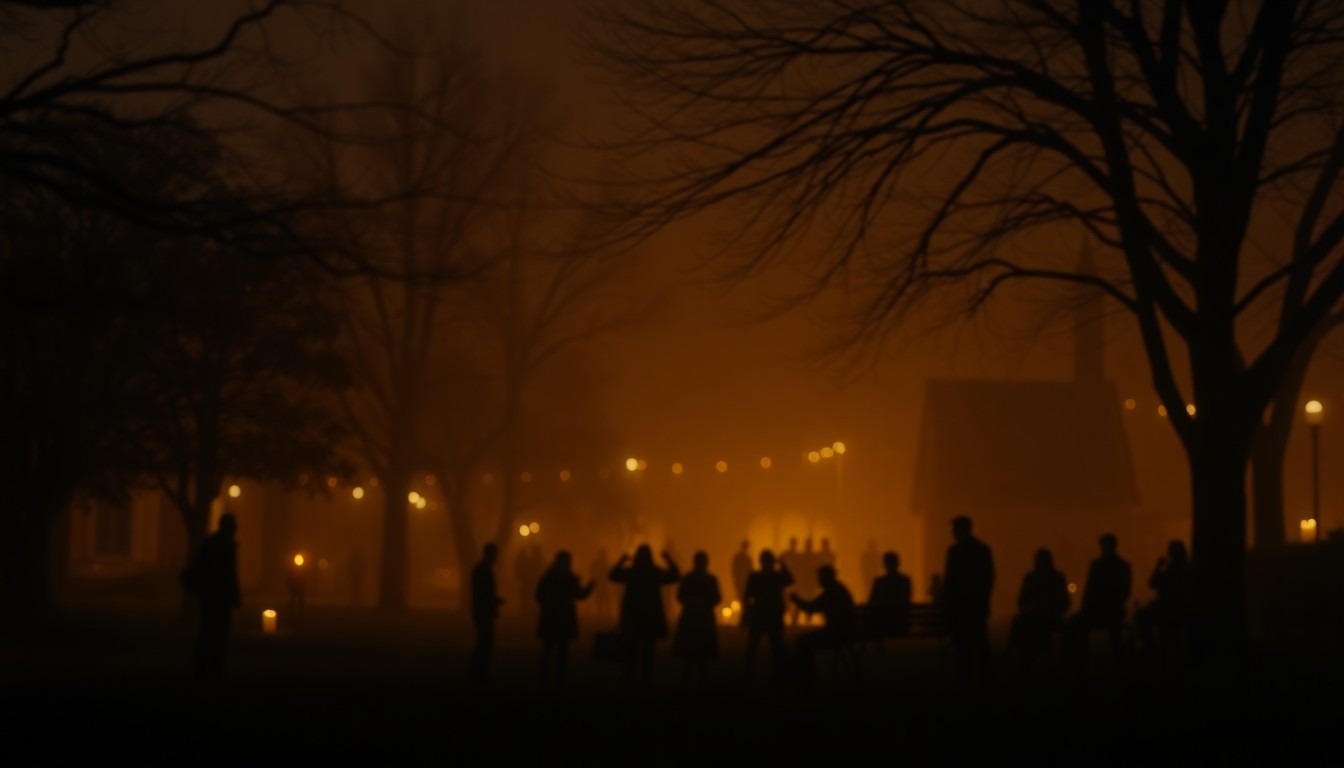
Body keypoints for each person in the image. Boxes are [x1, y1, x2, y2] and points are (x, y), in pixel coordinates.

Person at [609, 544, 681, 685]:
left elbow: (612, 575)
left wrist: (622, 561)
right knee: (648, 651)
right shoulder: (654, 573)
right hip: (650, 618)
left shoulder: (632, 573)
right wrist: (669, 560)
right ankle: (646, 680)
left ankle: (628, 680)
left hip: (632, 617)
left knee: (630, 652)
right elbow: (675, 576)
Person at [1063, 533, 1132, 670]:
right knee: (1075, 624)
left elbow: (1122, 592)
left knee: (1077, 624)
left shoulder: (1112, 566)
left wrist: (1090, 606)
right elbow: (1089, 589)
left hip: (1111, 611)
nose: (1104, 548)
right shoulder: (1114, 565)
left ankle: (1079, 661)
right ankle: (1080, 660)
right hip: (1101, 611)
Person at [186, 512, 241, 683]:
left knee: (208, 631)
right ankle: (212, 669)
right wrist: (235, 595)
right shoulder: (226, 545)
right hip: (218, 595)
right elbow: (231, 573)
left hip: (210, 595)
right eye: (233, 526)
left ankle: (204, 668)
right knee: (217, 633)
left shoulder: (211, 543)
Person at [942, 515, 994, 685]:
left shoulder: (954, 552)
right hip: (974, 604)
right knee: (978, 644)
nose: (953, 532)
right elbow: (988, 578)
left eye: (955, 529)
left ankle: (967, 678)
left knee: (963, 646)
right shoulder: (982, 550)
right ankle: (983, 678)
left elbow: (949, 580)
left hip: (962, 605)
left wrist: (948, 602)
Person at [788, 564, 859, 684]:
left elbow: (811, 607)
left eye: (819, 577)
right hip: (846, 630)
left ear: (825, 577)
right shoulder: (839, 588)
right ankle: (805, 675)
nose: (818, 579)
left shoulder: (831, 592)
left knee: (803, 641)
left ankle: (806, 677)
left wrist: (795, 599)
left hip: (837, 632)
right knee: (804, 641)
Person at [535, 550, 596, 685]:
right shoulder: (570, 578)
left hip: (549, 617)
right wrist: (590, 587)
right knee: (562, 650)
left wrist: (549, 604)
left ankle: (543, 677)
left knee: (548, 649)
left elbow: (539, 596)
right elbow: (581, 595)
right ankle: (559, 678)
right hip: (564, 618)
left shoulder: (548, 577)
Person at [1004, 547, 1070, 671]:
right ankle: (1022, 654)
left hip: (1051, 616)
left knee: (1025, 622)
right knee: (1021, 621)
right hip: (1034, 615)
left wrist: (1049, 607)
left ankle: (1021, 655)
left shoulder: (1056, 578)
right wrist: (1029, 607)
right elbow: (1021, 600)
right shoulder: (1031, 578)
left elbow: (1064, 602)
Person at [740, 548, 794, 682]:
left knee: (753, 646)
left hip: (759, 614)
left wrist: (746, 614)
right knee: (776, 646)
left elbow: (747, 597)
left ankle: (748, 675)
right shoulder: (776, 576)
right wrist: (781, 563)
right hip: (773, 614)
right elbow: (790, 579)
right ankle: (778, 673)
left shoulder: (755, 576)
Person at [1134, 539, 1191, 662]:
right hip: (1169, 607)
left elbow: (1153, 584)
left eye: (1173, 551)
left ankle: (1149, 648)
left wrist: (1158, 567)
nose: (1171, 553)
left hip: (1172, 608)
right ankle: (1150, 647)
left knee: (1143, 614)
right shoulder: (1173, 567)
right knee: (1143, 614)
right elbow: (1152, 584)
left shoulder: (1181, 568)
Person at [673, 550, 723, 683]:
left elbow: (680, 597)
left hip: (691, 617)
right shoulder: (710, 580)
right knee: (702, 650)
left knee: (691, 651)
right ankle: (700, 680)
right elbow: (717, 598)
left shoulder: (688, 578)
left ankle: (689, 680)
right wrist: (704, 601)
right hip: (703, 618)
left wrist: (692, 601)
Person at [468, 542, 505, 684]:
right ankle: (477, 672)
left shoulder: (481, 569)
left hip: (481, 610)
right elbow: (484, 593)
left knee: (483, 642)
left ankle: (477, 672)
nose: (497, 557)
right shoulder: (484, 570)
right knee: (485, 642)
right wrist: (494, 601)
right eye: (495, 554)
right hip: (483, 611)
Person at [865, 550, 912, 650]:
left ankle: (878, 647)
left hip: (883, 624)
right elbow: (906, 600)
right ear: (898, 563)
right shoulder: (905, 581)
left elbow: (872, 602)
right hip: (902, 623)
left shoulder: (879, 582)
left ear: (884, 565)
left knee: (874, 616)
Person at [588, 548, 614, 624]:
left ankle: (604, 619)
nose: (604, 556)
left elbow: (592, 573)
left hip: (602, 586)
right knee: (603, 604)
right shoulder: (606, 564)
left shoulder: (597, 564)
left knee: (604, 604)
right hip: (601, 586)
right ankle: (605, 620)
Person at [730, 539, 753, 609]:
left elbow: (749, 570)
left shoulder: (747, 558)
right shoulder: (742, 558)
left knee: (743, 598)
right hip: (740, 581)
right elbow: (735, 570)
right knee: (742, 598)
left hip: (744, 581)